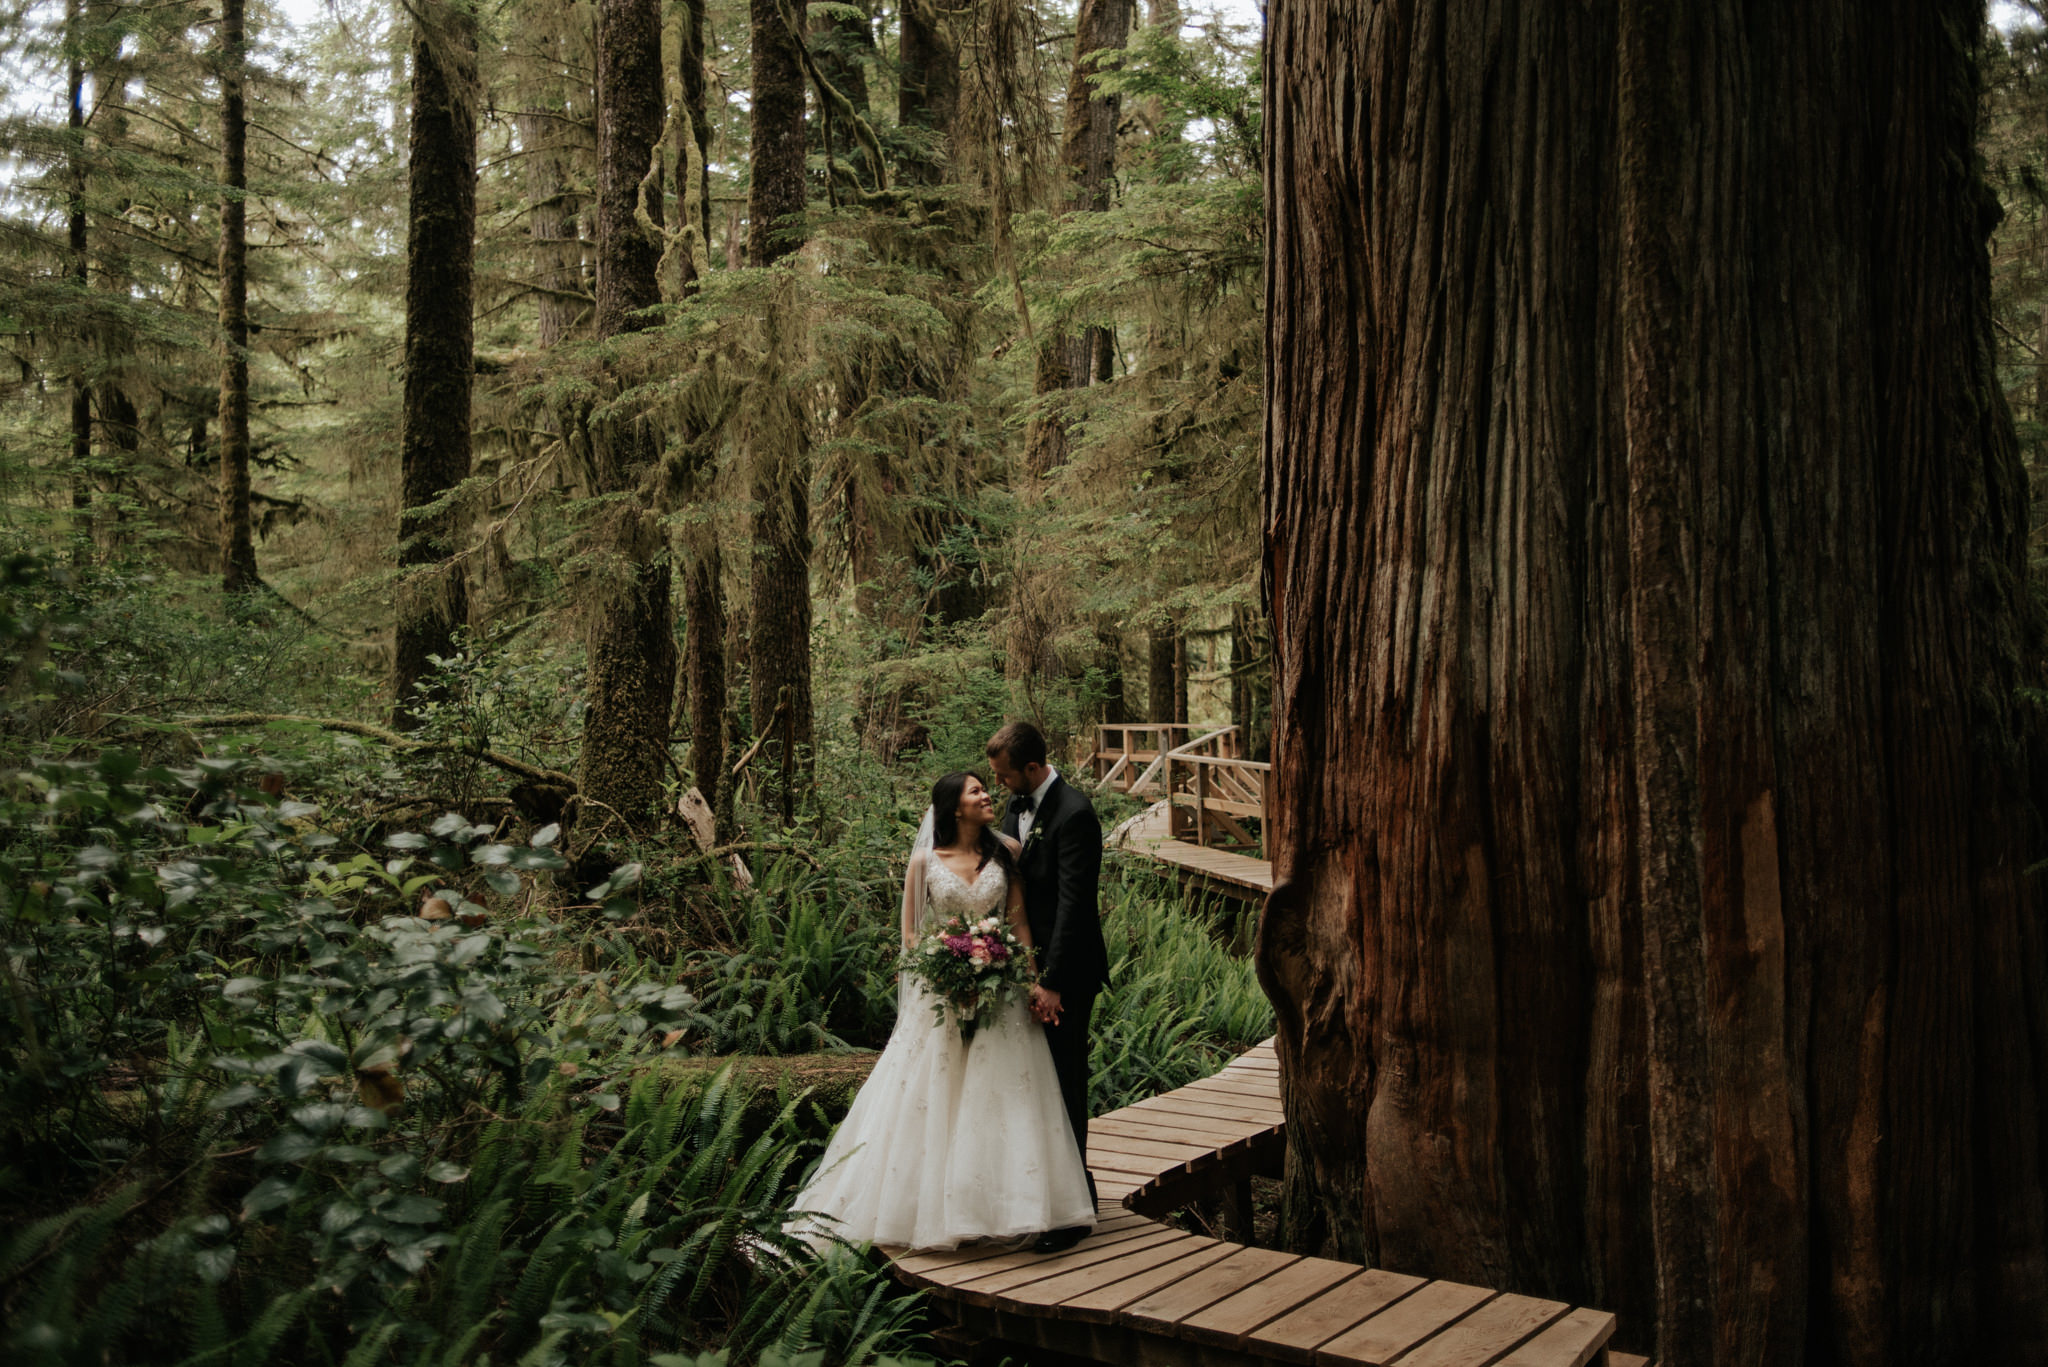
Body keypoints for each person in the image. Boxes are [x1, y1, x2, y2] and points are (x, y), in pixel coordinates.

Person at [785, 770, 1097, 1252]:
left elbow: (1020, 924)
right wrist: (949, 972)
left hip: (1001, 994)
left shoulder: (1006, 856)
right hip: (943, 996)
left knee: (1002, 1097)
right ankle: (932, 1208)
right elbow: (911, 937)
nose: (987, 794)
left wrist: (1030, 978)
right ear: (955, 807)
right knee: (940, 1095)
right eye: (976, 791)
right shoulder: (923, 863)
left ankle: (1006, 1207)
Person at [987, 720, 1109, 1255]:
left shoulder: (1076, 813)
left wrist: (1054, 983)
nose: (999, 785)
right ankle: (1055, 1192)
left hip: (1068, 974)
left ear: (1032, 768)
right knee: (1037, 1085)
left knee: (1065, 1083)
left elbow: (1073, 907)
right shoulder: (1018, 806)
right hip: (1030, 971)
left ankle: (1073, 1212)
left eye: (1005, 775)